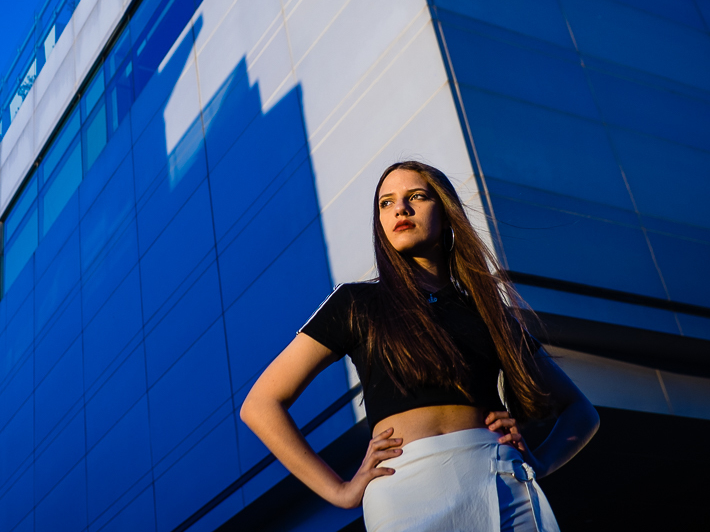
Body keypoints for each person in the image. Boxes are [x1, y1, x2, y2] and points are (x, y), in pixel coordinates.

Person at [240, 161, 599, 532]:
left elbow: (581, 411)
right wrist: (339, 491)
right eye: (386, 203)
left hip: (500, 480)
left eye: (416, 197)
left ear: (445, 213)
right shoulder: (355, 303)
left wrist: (540, 462)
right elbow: (260, 405)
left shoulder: (487, 310)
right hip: (402, 491)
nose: (400, 209)